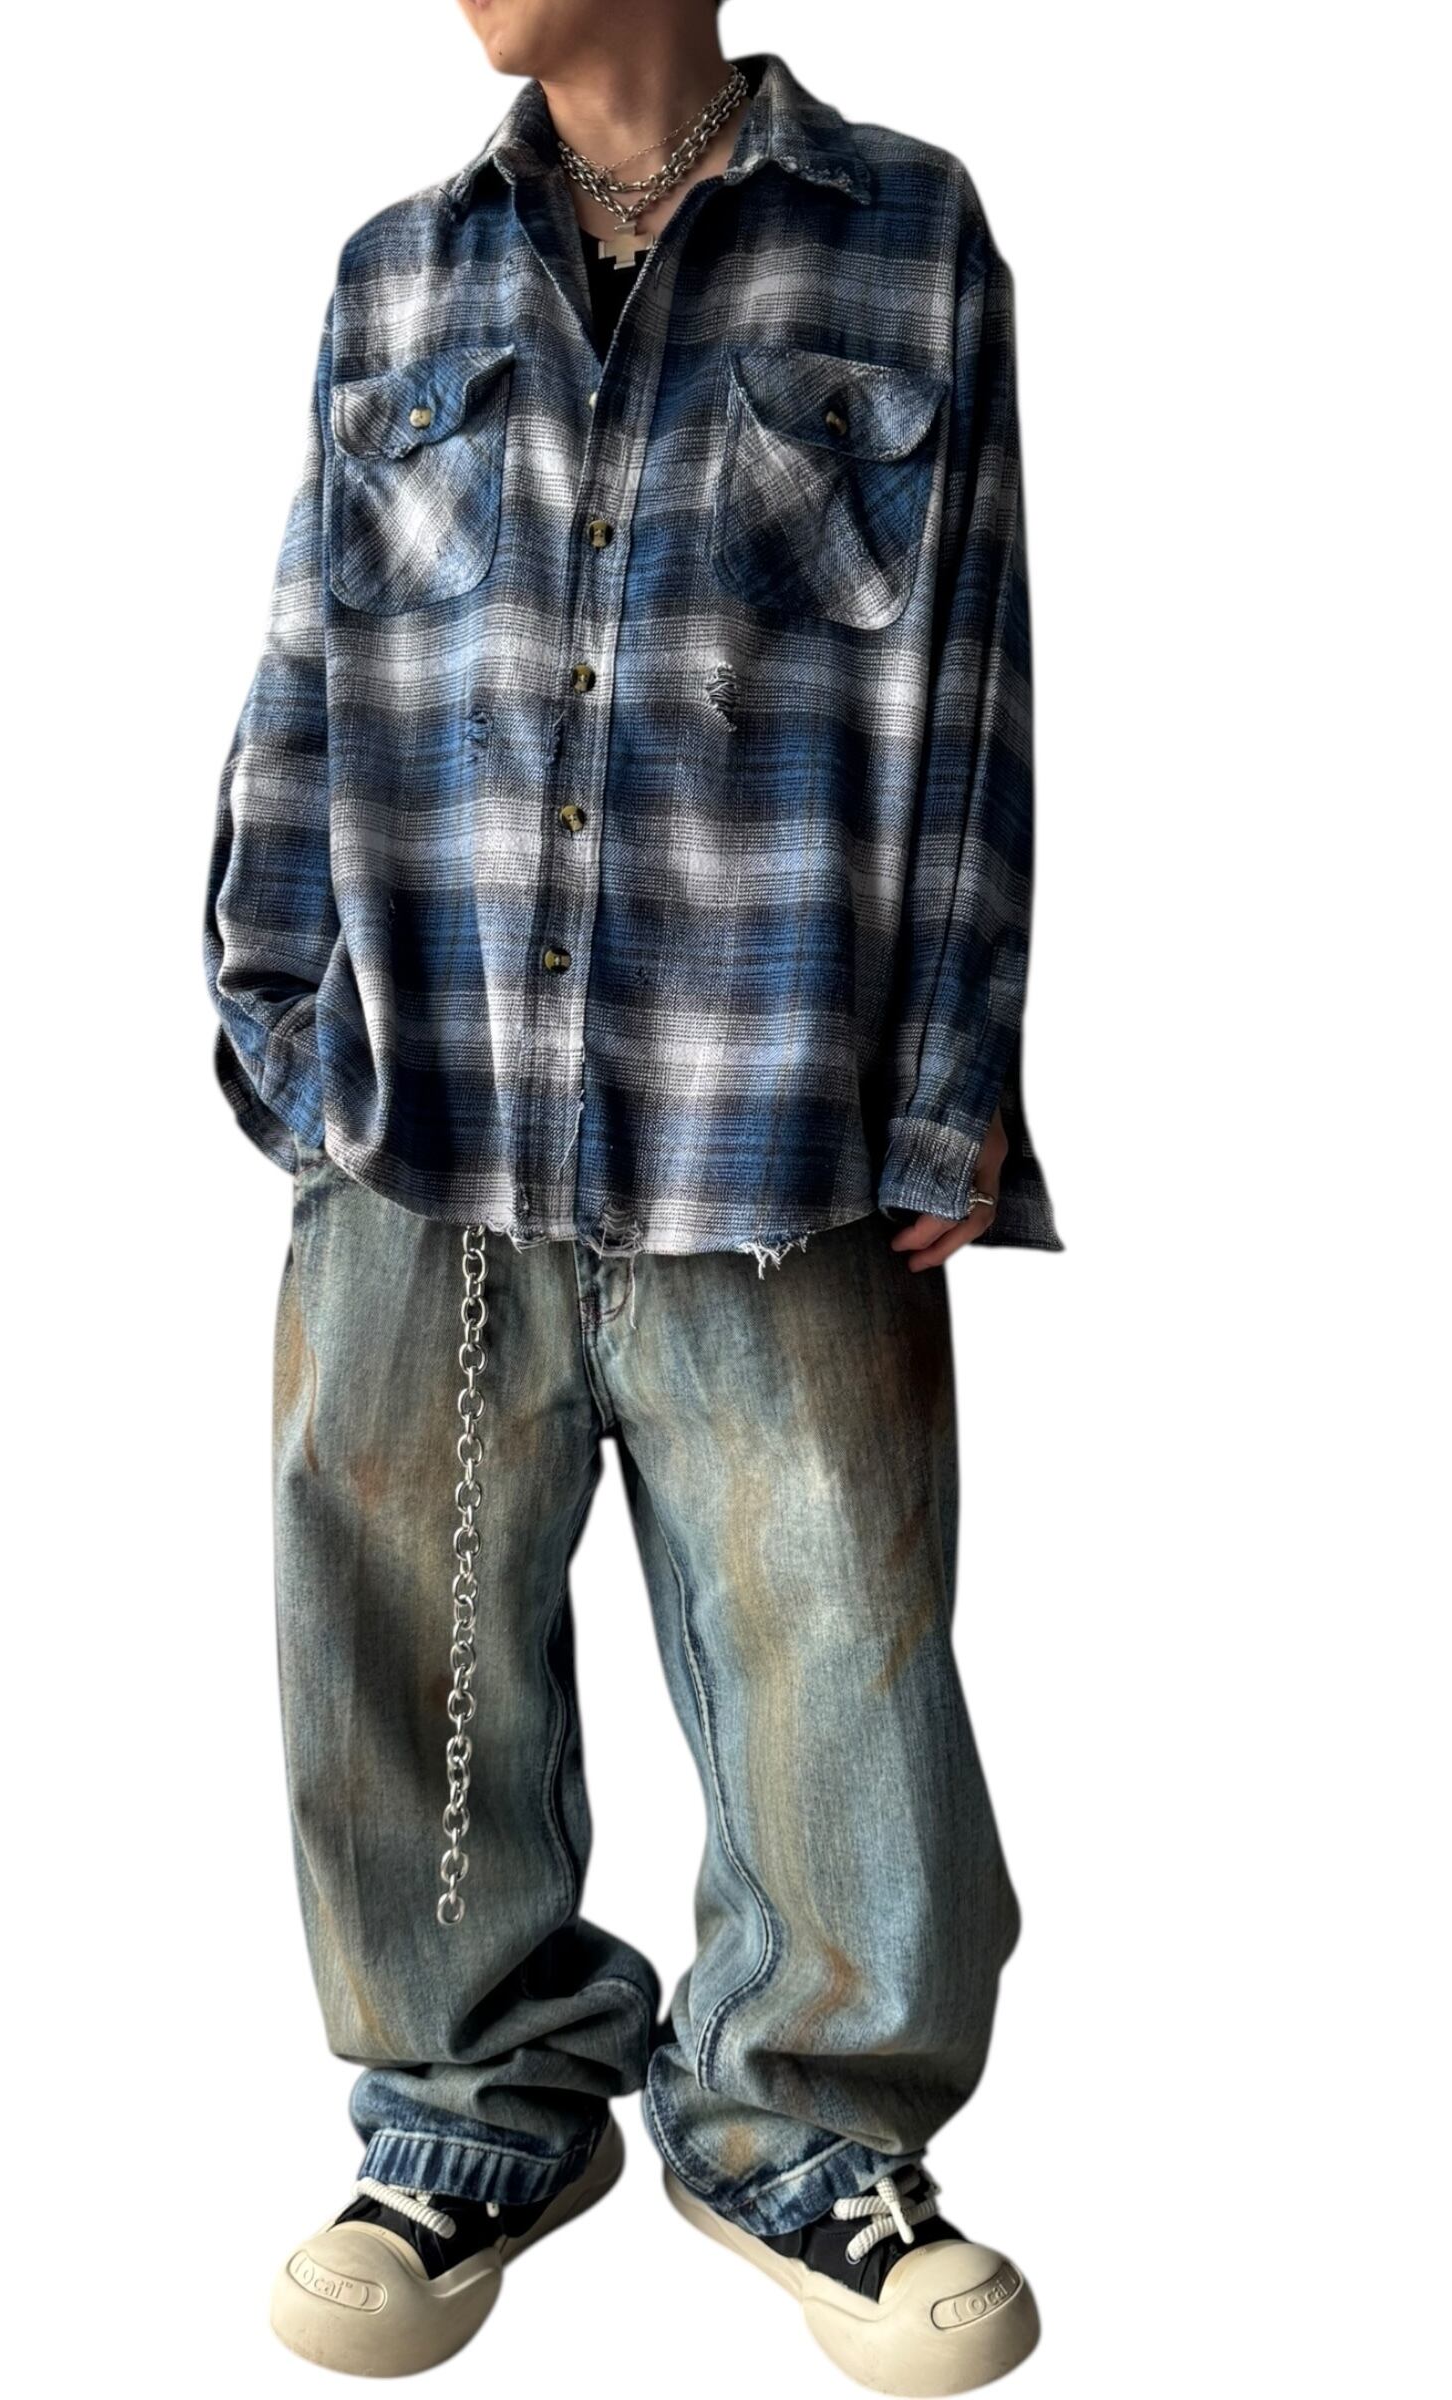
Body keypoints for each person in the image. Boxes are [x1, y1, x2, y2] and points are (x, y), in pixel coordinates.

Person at [202, 2, 1060, 2387]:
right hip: (427, 1100)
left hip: (770, 1091)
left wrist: (953, 1081)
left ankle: (807, 2128)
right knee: (399, 1618)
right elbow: (309, 657)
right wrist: (280, 1016)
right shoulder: (397, 272)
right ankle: (467, 2103)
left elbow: (972, 683)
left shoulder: (905, 237)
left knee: (834, 1638)